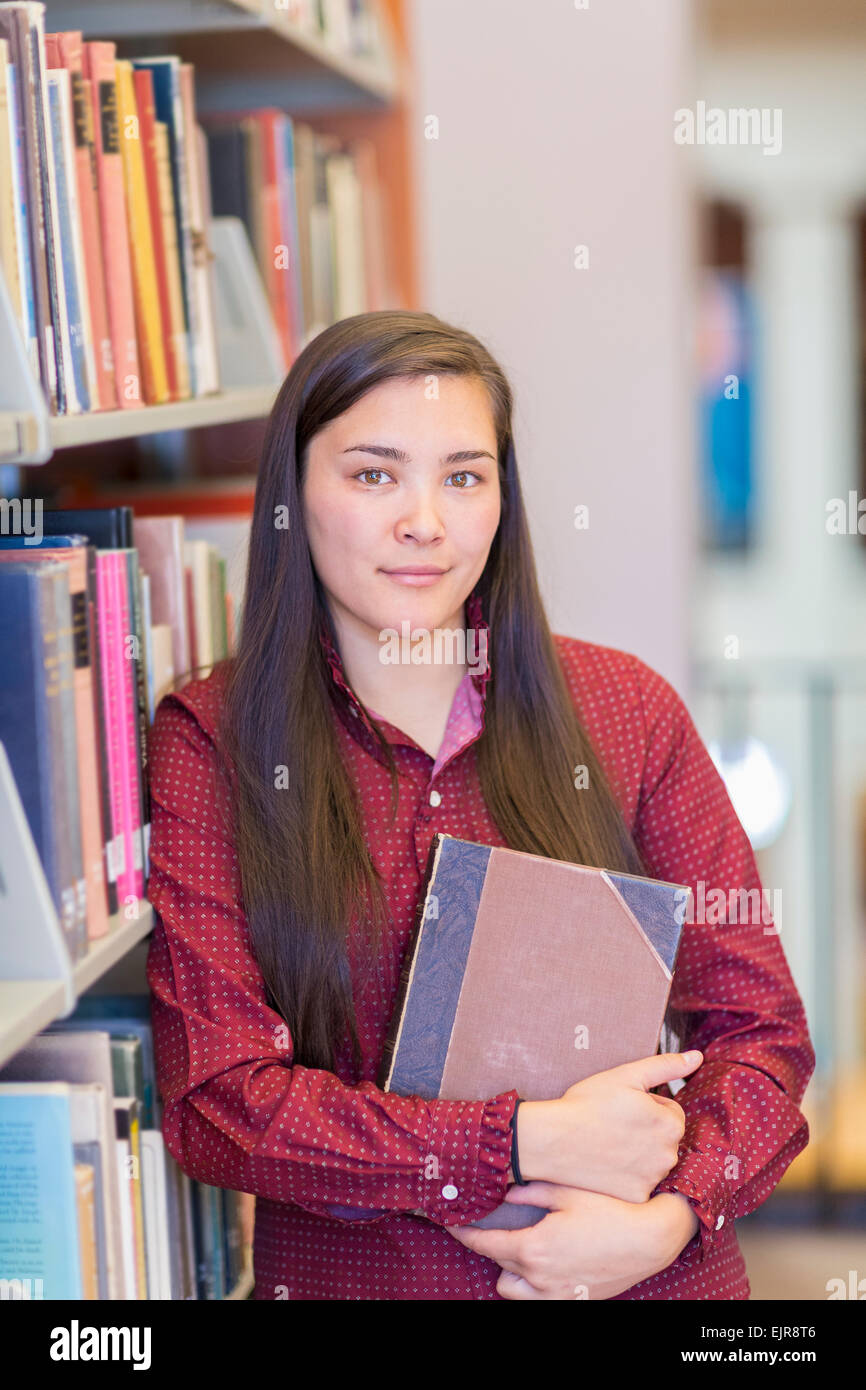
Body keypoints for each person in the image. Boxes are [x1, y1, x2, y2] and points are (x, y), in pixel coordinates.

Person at [145, 309, 814, 1300]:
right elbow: (220, 1103)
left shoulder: (625, 711)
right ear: (292, 496)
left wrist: (661, 1223)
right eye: (374, 474)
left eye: (462, 475)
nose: (425, 519)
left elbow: (760, 1038)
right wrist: (515, 1142)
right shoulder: (213, 740)